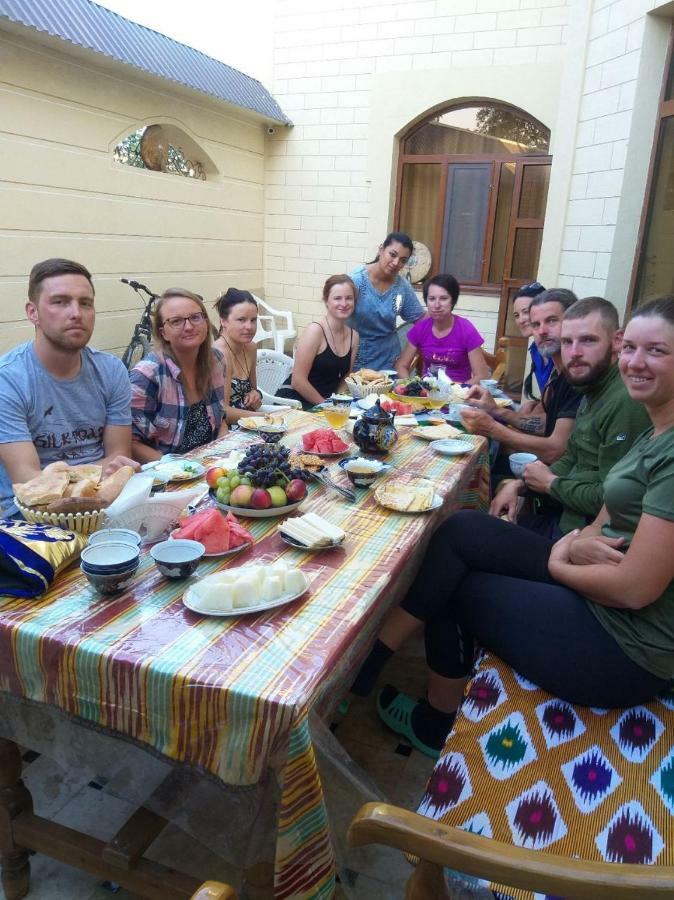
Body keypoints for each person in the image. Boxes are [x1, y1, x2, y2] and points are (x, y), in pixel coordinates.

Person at [352, 294, 674, 758]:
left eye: (656, 351)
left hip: (625, 646)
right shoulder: (655, 427)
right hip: (592, 572)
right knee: (462, 529)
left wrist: (563, 559)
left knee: (454, 591)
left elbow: (633, 589)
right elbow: (609, 503)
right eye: (632, 350)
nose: (636, 363)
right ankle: (371, 662)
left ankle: (434, 722)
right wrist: (577, 537)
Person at [490, 296, 651, 537]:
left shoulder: (625, 401)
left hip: (579, 539)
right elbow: (571, 458)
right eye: (567, 342)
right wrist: (520, 484)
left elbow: (613, 500)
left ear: (617, 340)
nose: (574, 353)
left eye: (588, 340)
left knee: (461, 530)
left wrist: (549, 484)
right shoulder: (590, 386)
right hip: (563, 521)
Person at [0, 258, 137, 517]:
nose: (76, 313)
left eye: (85, 303)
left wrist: (97, 478)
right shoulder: (8, 379)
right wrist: (97, 473)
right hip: (31, 515)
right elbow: (30, 480)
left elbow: (119, 457)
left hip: (103, 502)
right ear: (32, 312)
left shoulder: (111, 371)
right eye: (60, 302)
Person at [462, 289, 581, 464]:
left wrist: (493, 428)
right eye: (536, 324)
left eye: (552, 321)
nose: (542, 331)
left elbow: (555, 451)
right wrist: (495, 410)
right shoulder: (557, 371)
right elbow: (545, 424)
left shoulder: (578, 375)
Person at [129, 289, 227, 462]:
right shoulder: (147, 375)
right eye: (176, 321)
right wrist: (177, 468)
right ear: (163, 333)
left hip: (211, 465)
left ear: (205, 322)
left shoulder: (216, 361)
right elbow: (130, 443)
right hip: (167, 473)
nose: (189, 327)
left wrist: (224, 453)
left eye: (195, 317)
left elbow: (221, 420)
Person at [276, 275, 360, 409]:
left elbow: (346, 375)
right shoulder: (315, 331)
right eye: (337, 298)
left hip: (325, 404)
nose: (344, 304)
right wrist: (327, 407)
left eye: (349, 298)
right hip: (295, 401)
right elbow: (297, 381)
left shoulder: (354, 336)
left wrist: (337, 402)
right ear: (327, 301)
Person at [349, 232, 424, 371]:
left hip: (390, 363)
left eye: (403, 260)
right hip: (356, 361)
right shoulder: (356, 281)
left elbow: (421, 320)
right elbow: (336, 318)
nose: (396, 263)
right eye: (393, 254)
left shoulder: (402, 287)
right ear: (381, 249)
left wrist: (408, 356)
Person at [395, 274, 489, 384]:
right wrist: (413, 386)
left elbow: (482, 376)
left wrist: (459, 391)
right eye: (432, 299)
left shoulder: (466, 329)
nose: (437, 305)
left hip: (459, 395)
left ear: (453, 301)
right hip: (427, 395)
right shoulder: (420, 329)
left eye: (443, 298)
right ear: (426, 302)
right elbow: (401, 366)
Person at [213, 288, 263, 423]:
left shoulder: (251, 347)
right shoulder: (218, 355)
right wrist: (263, 418)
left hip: (250, 424)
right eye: (241, 320)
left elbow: (254, 390)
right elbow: (221, 411)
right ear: (223, 321)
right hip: (224, 430)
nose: (249, 326)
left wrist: (256, 395)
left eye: (253, 320)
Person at [512, 281, 554, 398]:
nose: (521, 320)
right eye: (516, 315)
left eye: (526, 312)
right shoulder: (535, 349)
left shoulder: (557, 349)